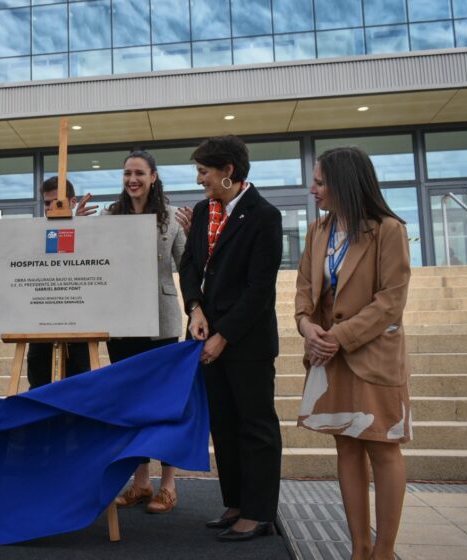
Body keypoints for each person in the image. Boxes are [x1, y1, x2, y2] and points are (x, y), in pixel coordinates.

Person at [295, 146, 411, 560]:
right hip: (329, 356)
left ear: (344, 183)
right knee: (346, 445)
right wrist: (308, 328)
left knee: (381, 446)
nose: (313, 189)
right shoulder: (317, 231)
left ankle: (384, 550)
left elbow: (390, 301)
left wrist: (338, 336)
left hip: (371, 355)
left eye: (321, 182)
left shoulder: (388, 229)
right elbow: (303, 294)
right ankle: (359, 548)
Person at [179, 135, 283, 541]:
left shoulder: (264, 216)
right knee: (223, 426)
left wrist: (223, 336)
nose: (200, 179)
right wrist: (196, 310)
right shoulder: (205, 211)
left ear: (229, 172)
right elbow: (190, 264)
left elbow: (260, 289)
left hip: (247, 343)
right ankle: (236, 502)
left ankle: (258, 514)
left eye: (205, 172)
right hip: (207, 337)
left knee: (255, 427)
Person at [107, 150, 186, 514]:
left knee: (164, 404)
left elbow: (189, 266)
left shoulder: (171, 217)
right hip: (122, 323)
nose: (132, 179)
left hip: (162, 321)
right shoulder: (110, 216)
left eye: (139, 173)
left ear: (153, 176)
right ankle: (140, 482)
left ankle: (168, 485)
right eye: (127, 173)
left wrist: (198, 233)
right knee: (130, 406)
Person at [26, 176, 97, 389]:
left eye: (56, 202)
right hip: (40, 323)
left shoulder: (89, 232)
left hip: (79, 323)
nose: (50, 208)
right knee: (38, 382)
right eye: (46, 203)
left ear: (73, 202)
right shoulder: (32, 236)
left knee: (79, 384)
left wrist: (80, 228)